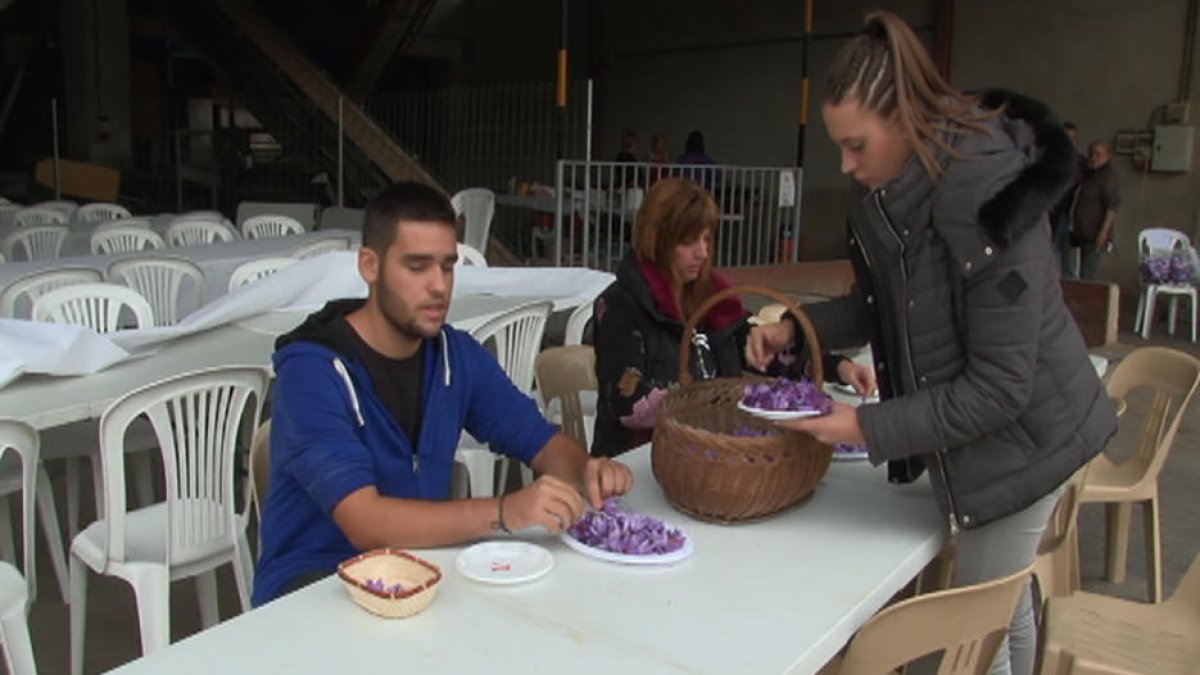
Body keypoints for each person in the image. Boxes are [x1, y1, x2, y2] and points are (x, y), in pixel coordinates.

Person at [745, 12, 1116, 675]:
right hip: (989, 436)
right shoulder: (886, 195)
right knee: (1003, 611)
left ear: (907, 119)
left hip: (1027, 443)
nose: (845, 164)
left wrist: (862, 425)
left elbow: (1000, 388)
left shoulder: (989, 195)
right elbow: (876, 305)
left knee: (969, 638)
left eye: (857, 145)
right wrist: (794, 327)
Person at [254, 181, 634, 606]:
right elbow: (366, 522)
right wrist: (506, 511)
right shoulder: (311, 371)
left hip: (420, 579)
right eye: (417, 267)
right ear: (370, 266)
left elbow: (539, 440)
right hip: (311, 593)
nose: (439, 286)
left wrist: (584, 470)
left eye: (448, 267)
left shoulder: (455, 356)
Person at [591, 177, 873, 457]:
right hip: (639, 459)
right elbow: (629, 406)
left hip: (712, 455)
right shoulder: (621, 306)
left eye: (707, 239)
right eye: (688, 242)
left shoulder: (712, 300)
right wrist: (724, 397)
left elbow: (764, 354)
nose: (702, 253)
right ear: (657, 240)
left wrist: (838, 367)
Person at [1069, 139, 1120, 280]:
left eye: (1098, 154)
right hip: (1081, 232)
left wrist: (1103, 233)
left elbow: (1112, 207)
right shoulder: (1092, 173)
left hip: (1094, 234)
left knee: (1087, 274)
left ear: (1108, 156)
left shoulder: (1108, 177)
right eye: (1091, 154)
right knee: (1075, 271)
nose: (1093, 158)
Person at [1049, 121, 1086, 275]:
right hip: (1050, 213)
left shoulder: (1082, 163)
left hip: (1071, 216)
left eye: (1072, 138)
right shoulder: (1048, 159)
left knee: (1068, 259)